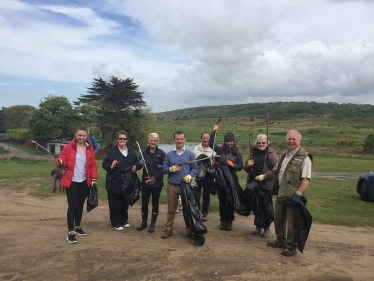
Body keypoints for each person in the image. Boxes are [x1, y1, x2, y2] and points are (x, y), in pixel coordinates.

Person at [267, 130, 312, 257]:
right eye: (289, 139)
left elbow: (306, 178)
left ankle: (291, 246)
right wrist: (272, 168)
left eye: (294, 139)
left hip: (294, 195)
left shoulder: (305, 157)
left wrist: (299, 194)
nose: (291, 142)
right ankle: (280, 240)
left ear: (299, 141)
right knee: (279, 219)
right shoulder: (285, 155)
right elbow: (282, 173)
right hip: (282, 192)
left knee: (292, 222)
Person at [56, 125, 98, 244]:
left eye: (83, 135)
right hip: (72, 181)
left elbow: (93, 165)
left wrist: (93, 179)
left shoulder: (89, 149)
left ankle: (77, 227)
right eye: (79, 135)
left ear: (87, 136)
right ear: (75, 135)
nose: (81, 137)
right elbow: (63, 164)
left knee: (80, 205)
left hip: (84, 181)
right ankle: (70, 232)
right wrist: (60, 162)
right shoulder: (68, 148)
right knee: (72, 206)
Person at [161, 131, 198, 239]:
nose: (179, 141)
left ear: (185, 140)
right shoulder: (169, 154)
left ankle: (189, 228)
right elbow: (164, 168)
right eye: (177, 139)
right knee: (171, 209)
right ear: (174, 140)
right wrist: (170, 169)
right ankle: (168, 228)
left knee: (187, 209)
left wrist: (190, 176)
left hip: (185, 186)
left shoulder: (190, 154)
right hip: (172, 185)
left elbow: (195, 168)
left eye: (181, 139)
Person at [102, 130, 139, 230]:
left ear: (126, 140)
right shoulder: (112, 151)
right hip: (114, 181)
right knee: (115, 203)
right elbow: (104, 164)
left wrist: (136, 166)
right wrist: (111, 166)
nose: (122, 140)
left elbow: (137, 162)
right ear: (117, 140)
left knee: (124, 202)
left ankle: (124, 220)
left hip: (127, 182)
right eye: (120, 138)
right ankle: (116, 222)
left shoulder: (130, 151)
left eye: (124, 139)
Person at [243, 134, 278, 237]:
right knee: (256, 205)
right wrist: (248, 165)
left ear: (267, 143)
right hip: (253, 184)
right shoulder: (252, 154)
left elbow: (275, 171)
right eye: (259, 143)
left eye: (263, 143)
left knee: (266, 206)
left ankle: (266, 227)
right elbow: (246, 169)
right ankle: (258, 226)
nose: (261, 144)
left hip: (266, 184)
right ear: (256, 144)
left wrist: (264, 176)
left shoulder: (272, 155)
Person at [210, 125, 243, 231]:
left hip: (231, 181)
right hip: (220, 180)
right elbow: (211, 143)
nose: (229, 143)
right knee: (222, 200)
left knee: (230, 201)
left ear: (234, 142)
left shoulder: (237, 152)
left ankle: (230, 221)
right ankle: (223, 220)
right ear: (225, 141)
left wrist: (233, 165)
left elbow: (240, 166)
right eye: (227, 141)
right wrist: (214, 132)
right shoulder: (220, 150)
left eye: (231, 141)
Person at [136, 133, 166, 233]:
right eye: (151, 140)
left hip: (157, 183)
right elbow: (138, 166)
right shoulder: (144, 152)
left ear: (157, 142)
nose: (153, 142)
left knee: (155, 203)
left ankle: (152, 224)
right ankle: (144, 222)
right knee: (144, 203)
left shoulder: (161, 153)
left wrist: (154, 177)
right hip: (146, 182)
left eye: (155, 141)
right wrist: (139, 163)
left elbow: (163, 169)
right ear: (148, 141)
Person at [192, 132, 216, 222]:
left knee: (206, 195)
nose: (206, 140)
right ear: (201, 139)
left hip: (208, 176)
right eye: (204, 138)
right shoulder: (196, 148)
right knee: (196, 194)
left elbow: (214, 164)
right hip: (197, 175)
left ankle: (205, 212)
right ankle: (196, 211)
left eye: (207, 138)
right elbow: (193, 160)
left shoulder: (212, 150)